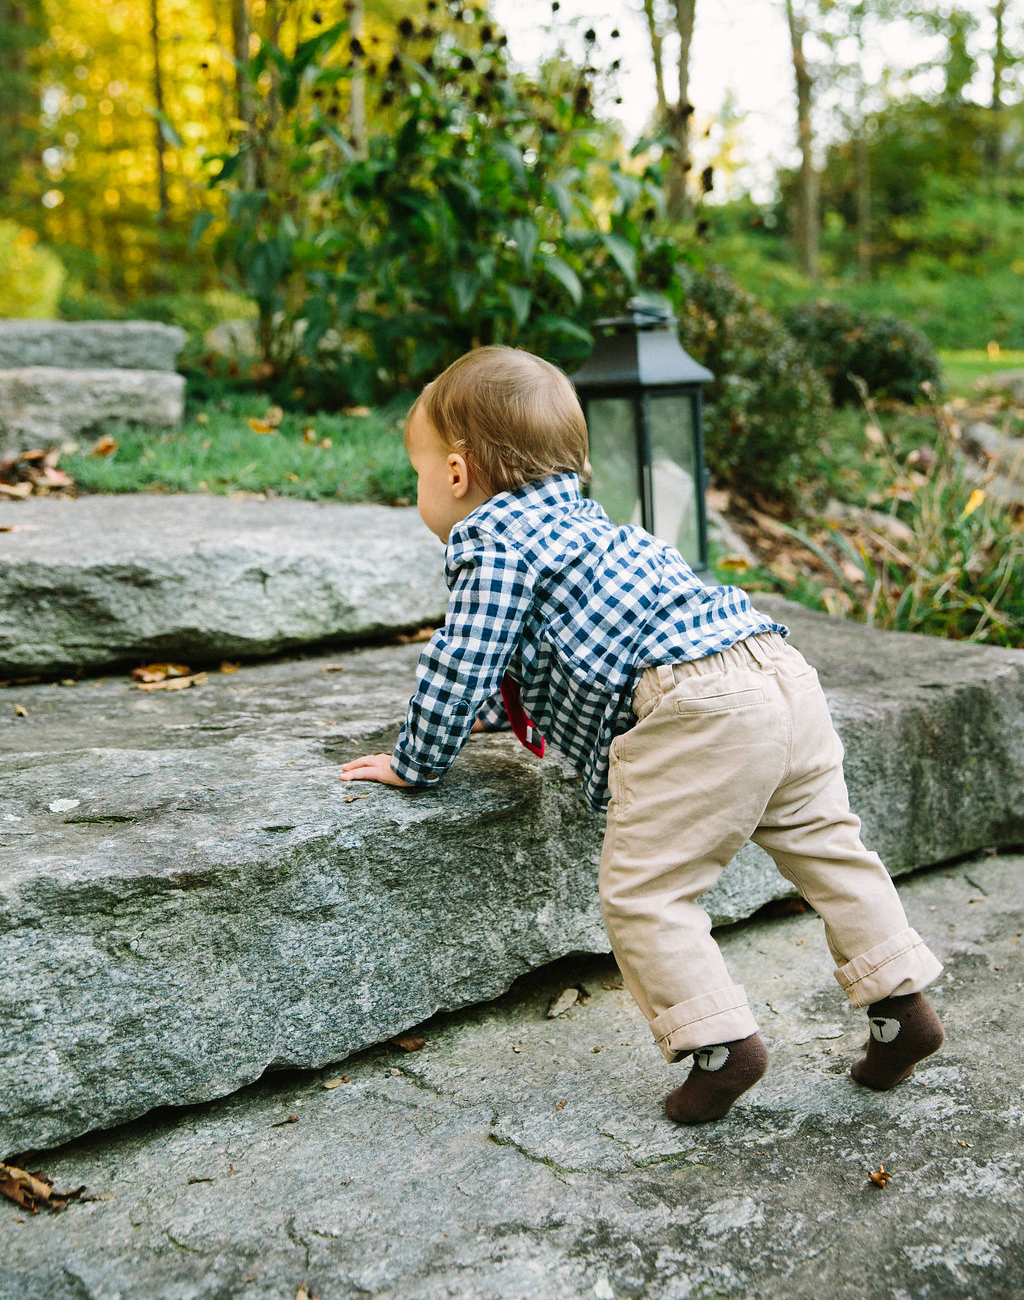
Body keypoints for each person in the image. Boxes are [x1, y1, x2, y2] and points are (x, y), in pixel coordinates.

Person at [341, 346, 944, 1124]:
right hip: (778, 670)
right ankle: (902, 1008)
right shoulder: (583, 523)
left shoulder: (490, 536)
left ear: (456, 475)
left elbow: (464, 658)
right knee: (830, 846)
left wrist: (417, 760)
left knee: (648, 894)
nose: (421, 491)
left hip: (697, 707)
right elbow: (550, 662)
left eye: (417, 475)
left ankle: (721, 1048)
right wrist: (496, 716)